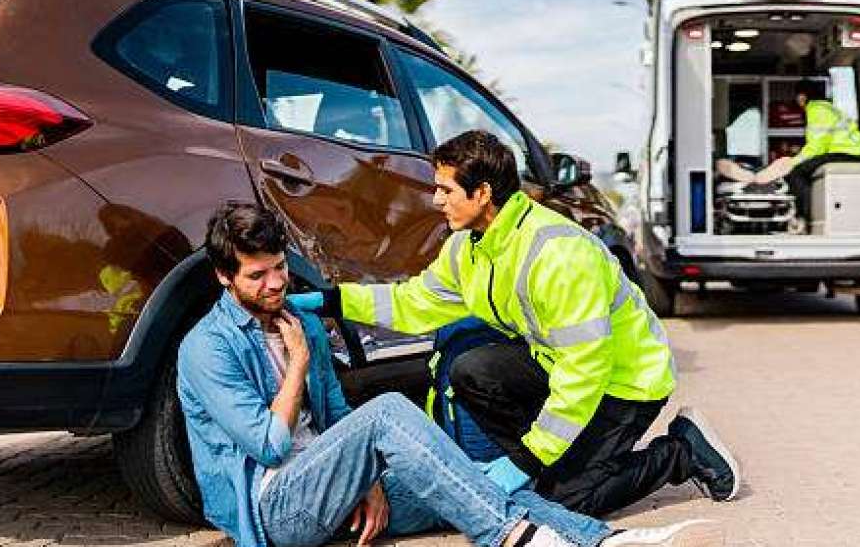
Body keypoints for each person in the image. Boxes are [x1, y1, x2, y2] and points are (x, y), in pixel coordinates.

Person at [176, 202, 722, 547]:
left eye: (279, 269)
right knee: (389, 411)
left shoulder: (302, 324)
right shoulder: (206, 349)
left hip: (334, 491)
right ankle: (510, 538)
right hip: (272, 512)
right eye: (257, 276)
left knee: (475, 476)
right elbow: (271, 446)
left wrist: (364, 479)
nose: (275, 284)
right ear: (225, 277)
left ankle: (604, 542)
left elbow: (338, 419)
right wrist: (295, 364)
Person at [289, 130, 740, 517]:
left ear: (482, 193)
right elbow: (416, 301)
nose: (436, 199)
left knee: (570, 500)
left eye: (446, 189)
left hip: (624, 380)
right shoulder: (469, 246)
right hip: (558, 364)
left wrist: (529, 458)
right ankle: (550, 467)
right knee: (473, 369)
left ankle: (681, 451)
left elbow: (585, 370)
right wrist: (330, 300)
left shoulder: (558, 253)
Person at [751, 80, 860, 221]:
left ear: (803, 97)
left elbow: (816, 147)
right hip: (852, 152)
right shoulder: (829, 108)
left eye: (798, 97)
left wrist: (793, 163)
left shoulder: (816, 110)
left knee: (797, 174)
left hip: (842, 153)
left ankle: (806, 218)